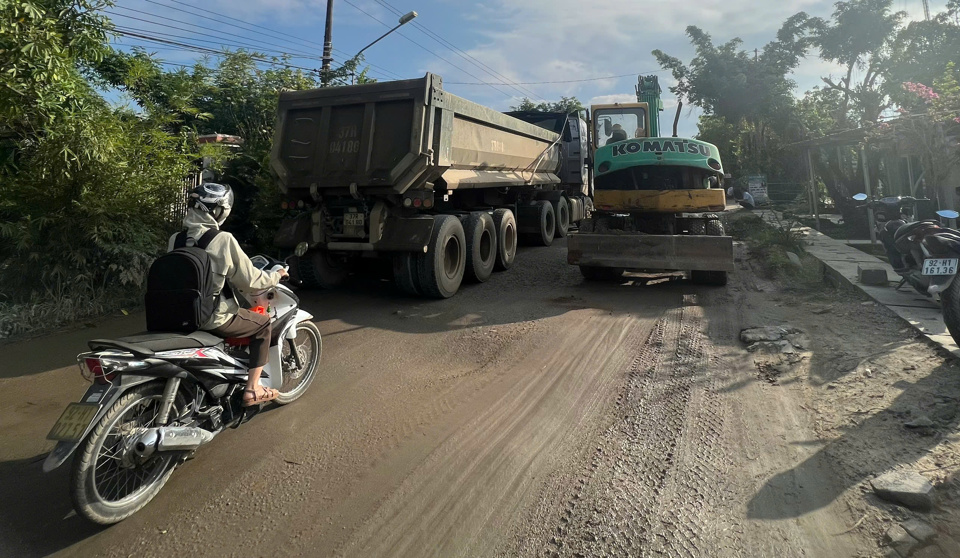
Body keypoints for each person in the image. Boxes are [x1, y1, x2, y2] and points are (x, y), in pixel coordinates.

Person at [170, 183, 288, 406]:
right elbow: (251, 281)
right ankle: (252, 389)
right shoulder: (222, 240)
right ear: (218, 211)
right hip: (210, 318)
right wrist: (276, 276)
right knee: (263, 324)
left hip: (176, 314)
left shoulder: (175, 239)